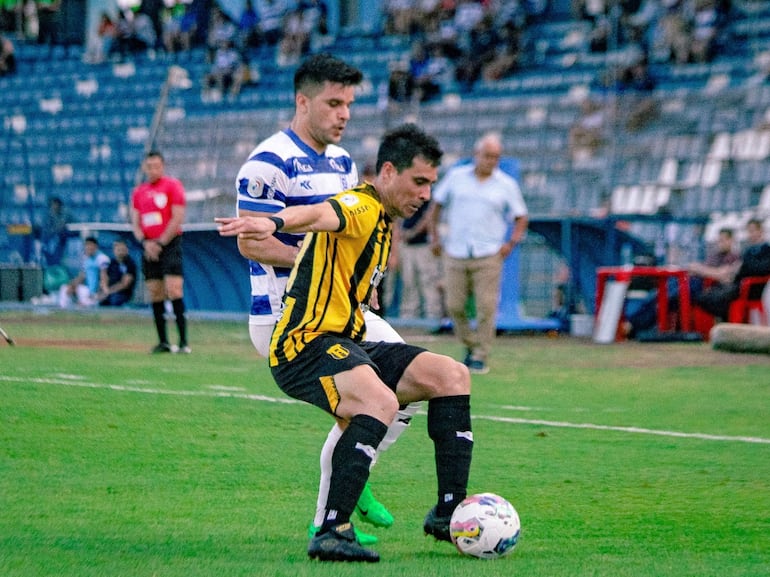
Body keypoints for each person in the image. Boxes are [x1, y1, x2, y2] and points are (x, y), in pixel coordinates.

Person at [217, 123, 473, 562]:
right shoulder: (361, 204)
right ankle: (331, 529)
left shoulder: (384, 222)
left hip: (346, 338)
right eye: (418, 182)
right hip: (303, 345)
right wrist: (274, 221)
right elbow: (322, 213)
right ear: (388, 172)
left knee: (450, 375)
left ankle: (449, 513)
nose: (426, 194)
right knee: (379, 402)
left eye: (431, 184)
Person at [231, 53, 420, 546]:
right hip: (285, 318)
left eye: (349, 105)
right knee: (369, 402)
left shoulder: (342, 163)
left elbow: (358, 228)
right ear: (303, 102)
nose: (344, 114)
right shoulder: (267, 163)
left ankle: (354, 477)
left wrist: (365, 274)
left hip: (343, 311)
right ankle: (335, 506)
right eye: (334, 103)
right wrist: (322, 267)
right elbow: (251, 242)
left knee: (409, 387)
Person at [430, 131, 529, 374]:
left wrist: (511, 243)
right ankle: (470, 344)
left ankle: (481, 354)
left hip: (488, 252)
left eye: (495, 157)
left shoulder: (506, 184)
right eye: (487, 156)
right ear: (477, 155)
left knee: (486, 306)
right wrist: (434, 236)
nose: (491, 161)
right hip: (456, 250)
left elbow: (521, 216)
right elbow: (437, 205)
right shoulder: (456, 177)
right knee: (454, 305)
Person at [624, 227, 741, 338]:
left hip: (705, 289)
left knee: (667, 298)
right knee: (658, 294)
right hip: (691, 281)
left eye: (723, 239)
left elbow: (724, 275)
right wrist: (701, 269)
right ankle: (632, 322)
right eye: (719, 240)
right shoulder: (715, 256)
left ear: (731, 240)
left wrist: (700, 269)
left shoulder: (734, 257)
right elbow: (705, 270)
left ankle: (634, 325)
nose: (720, 243)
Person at [130, 150, 189, 354]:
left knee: (174, 289)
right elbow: (135, 222)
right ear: (144, 168)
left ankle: (183, 343)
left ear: (162, 166)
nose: (153, 170)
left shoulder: (173, 186)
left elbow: (177, 217)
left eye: (156, 166)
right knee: (155, 292)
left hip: (170, 245)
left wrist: (160, 243)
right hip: (148, 247)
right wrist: (146, 243)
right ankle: (163, 341)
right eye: (149, 166)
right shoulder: (139, 192)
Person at [694, 218, 770, 321]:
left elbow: (762, 269)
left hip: (750, 287)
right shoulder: (749, 250)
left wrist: (741, 268)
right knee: (705, 296)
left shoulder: (766, 249)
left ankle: (728, 321)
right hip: (737, 283)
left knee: (714, 299)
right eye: (749, 231)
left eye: (753, 231)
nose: (751, 234)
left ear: (761, 231)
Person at [393, 200, 444, 322]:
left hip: (424, 245)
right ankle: (409, 319)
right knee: (408, 282)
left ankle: (433, 318)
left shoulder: (429, 193)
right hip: (407, 244)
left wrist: (413, 232)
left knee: (429, 282)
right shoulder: (406, 192)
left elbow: (429, 216)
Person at [58, 236, 110, 308]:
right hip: (86, 290)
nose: (88, 247)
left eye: (90, 245)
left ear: (96, 246)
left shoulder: (102, 258)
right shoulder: (86, 258)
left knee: (84, 303)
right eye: (86, 245)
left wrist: (102, 291)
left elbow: (104, 276)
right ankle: (63, 312)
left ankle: (87, 303)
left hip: (95, 292)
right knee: (65, 288)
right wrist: (72, 286)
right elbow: (82, 275)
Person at [99, 238, 137, 307]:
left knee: (114, 299)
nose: (120, 252)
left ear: (127, 250)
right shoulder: (111, 263)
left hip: (122, 294)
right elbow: (104, 277)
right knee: (100, 300)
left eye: (122, 249)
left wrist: (108, 292)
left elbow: (125, 284)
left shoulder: (130, 264)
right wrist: (104, 289)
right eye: (118, 249)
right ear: (114, 250)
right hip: (108, 292)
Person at [39, 196, 72, 267]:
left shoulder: (65, 215)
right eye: (53, 204)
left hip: (60, 243)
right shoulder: (47, 217)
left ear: (60, 206)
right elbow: (47, 230)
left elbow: (71, 224)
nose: (55, 206)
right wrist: (57, 229)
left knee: (58, 261)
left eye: (57, 204)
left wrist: (60, 227)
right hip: (48, 242)